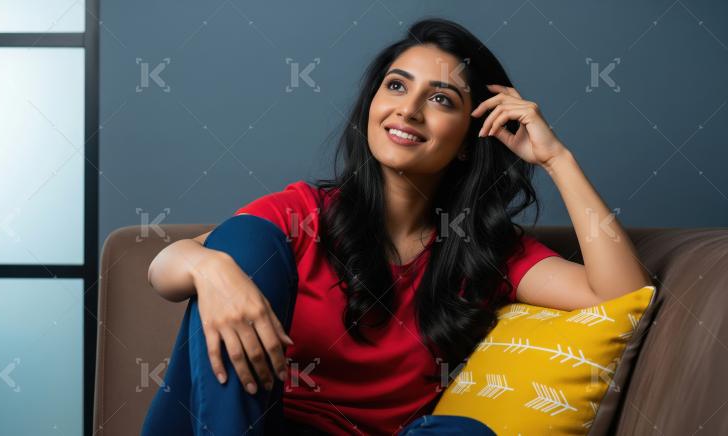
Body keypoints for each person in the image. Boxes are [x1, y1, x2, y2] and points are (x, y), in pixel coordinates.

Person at [142, 17, 652, 435]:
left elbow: (621, 295)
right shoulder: (306, 211)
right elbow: (165, 269)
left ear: (474, 137)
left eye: (441, 99)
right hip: (243, 425)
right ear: (373, 105)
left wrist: (557, 158)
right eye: (396, 86)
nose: (407, 109)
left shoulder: (483, 251)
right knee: (241, 241)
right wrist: (208, 268)